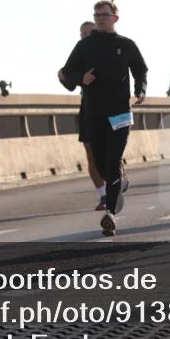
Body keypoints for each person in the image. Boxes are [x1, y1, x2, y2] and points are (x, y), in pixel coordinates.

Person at [59, 0, 147, 237]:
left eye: (104, 15)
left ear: (115, 18)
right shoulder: (85, 45)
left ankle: (109, 213)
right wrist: (80, 79)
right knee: (99, 162)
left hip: (119, 111)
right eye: (96, 15)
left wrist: (140, 89)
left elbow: (140, 69)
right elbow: (65, 74)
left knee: (112, 159)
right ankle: (118, 181)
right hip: (94, 112)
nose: (99, 18)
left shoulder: (126, 45)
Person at [59, 21, 107, 210]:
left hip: (109, 106)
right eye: (83, 33)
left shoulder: (108, 50)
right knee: (90, 153)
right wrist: (75, 77)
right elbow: (66, 76)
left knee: (110, 150)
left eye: (91, 32)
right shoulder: (79, 54)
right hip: (87, 107)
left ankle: (118, 179)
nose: (87, 36)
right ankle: (103, 196)